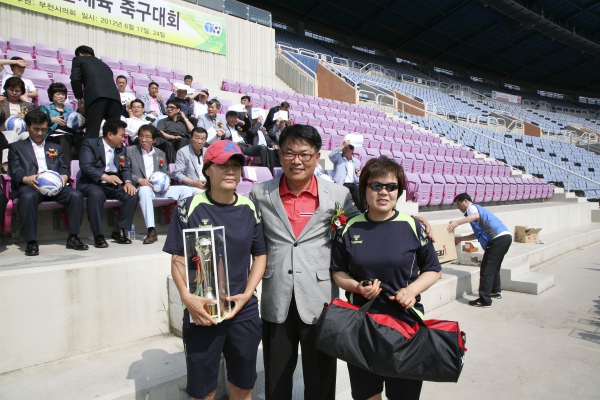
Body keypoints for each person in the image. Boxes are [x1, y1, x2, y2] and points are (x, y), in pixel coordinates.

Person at [251, 125, 435, 400]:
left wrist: (409, 219)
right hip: (276, 295)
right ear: (280, 156)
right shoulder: (260, 194)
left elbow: (368, 219)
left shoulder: (338, 195)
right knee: (277, 377)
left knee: (321, 377)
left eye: (304, 154)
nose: (297, 160)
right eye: (289, 153)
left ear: (316, 157)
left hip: (320, 298)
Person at [163, 140, 267, 400]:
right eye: (223, 166)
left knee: (243, 386)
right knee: (203, 391)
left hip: (242, 309)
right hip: (202, 309)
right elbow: (178, 259)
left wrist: (247, 293)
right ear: (207, 169)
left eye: (235, 166)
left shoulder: (249, 207)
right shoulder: (188, 208)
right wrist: (187, 298)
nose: (231, 171)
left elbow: (261, 255)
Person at [331, 155, 441, 400]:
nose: (384, 192)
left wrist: (411, 290)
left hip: (405, 327)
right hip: (362, 328)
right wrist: (357, 287)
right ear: (365, 189)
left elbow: (433, 269)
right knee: (366, 395)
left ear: (399, 191)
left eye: (391, 186)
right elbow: (338, 272)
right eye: (376, 185)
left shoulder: (413, 226)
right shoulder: (348, 228)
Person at [7, 112, 88, 256]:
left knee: (76, 195)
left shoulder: (55, 147)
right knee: (28, 198)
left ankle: (73, 236)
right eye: (36, 129)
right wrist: (26, 179)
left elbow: (64, 167)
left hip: (54, 185)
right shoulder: (16, 147)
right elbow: (15, 169)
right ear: (28, 127)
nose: (40, 133)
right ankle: (31, 241)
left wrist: (64, 176)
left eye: (43, 129)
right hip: (32, 185)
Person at [127, 124, 193, 244]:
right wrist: (139, 180)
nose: (143, 139)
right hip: (142, 187)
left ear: (154, 140)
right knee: (144, 190)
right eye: (141, 136)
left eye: (147, 137)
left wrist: (166, 184)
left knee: (186, 190)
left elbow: (166, 173)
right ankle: (151, 230)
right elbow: (125, 172)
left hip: (159, 189)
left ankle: (182, 226)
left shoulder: (160, 153)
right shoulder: (130, 151)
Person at [78, 118, 138, 248]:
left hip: (113, 183)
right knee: (96, 194)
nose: (123, 139)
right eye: (122, 136)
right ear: (110, 135)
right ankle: (98, 235)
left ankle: (120, 230)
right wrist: (105, 177)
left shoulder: (121, 149)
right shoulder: (90, 144)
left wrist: (128, 182)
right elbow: (86, 167)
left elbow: (125, 167)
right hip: (92, 183)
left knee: (132, 194)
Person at [448, 193, 512, 307]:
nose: (459, 208)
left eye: (459, 204)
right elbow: (476, 235)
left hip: (497, 239)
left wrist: (456, 223)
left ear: (466, 201)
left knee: (486, 269)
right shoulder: (474, 213)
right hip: (505, 237)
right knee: (494, 267)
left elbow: (475, 216)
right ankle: (495, 291)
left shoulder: (472, 208)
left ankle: (485, 300)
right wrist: (461, 239)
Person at [70, 45, 121, 139]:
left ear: (80, 54)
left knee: (92, 132)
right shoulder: (104, 65)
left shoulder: (78, 60)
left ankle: (90, 153)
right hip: (115, 98)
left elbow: (75, 79)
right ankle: (116, 154)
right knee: (114, 132)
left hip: (96, 97)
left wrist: (80, 99)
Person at [39, 82, 85, 166]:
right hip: (53, 134)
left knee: (81, 139)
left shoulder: (70, 110)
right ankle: (65, 168)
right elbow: (40, 122)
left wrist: (81, 122)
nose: (61, 96)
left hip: (70, 133)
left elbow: (79, 127)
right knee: (64, 138)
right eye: (58, 94)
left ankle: (81, 167)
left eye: (63, 94)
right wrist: (52, 120)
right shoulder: (46, 108)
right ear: (52, 95)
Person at [1, 77, 38, 168]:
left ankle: (30, 165)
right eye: (11, 90)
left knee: (27, 135)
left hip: (22, 131)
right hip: (5, 132)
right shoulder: (2, 102)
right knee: (12, 134)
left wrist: (26, 117)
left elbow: (38, 114)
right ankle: (6, 165)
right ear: (6, 89)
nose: (14, 93)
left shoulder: (26, 105)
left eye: (17, 91)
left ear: (22, 92)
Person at [329, 139, 364, 212]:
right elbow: (331, 155)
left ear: (352, 150)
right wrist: (342, 146)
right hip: (341, 184)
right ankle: (362, 210)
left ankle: (362, 210)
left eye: (346, 148)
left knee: (358, 187)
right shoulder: (338, 158)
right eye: (343, 148)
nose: (344, 150)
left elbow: (357, 174)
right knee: (355, 188)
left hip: (352, 184)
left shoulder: (356, 162)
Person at [172, 127, 208, 194]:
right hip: (191, 187)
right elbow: (178, 174)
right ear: (190, 138)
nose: (199, 141)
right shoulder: (182, 152)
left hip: (207, 186)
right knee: (205, 194)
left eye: (202, 139)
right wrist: (194, 183)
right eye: (197, 138)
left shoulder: (208, 151)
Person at [156, 99, 193, 163]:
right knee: (183, 140)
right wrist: (172, 137)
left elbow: (192, 130)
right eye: (168, 107)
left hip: (184, 140)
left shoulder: (183, 122)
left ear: (178, 110)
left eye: (172, 107)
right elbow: (161, 133)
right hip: (170, 141)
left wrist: (184, 118)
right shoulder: (162, 121)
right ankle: (180, 162)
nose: (169, 109)